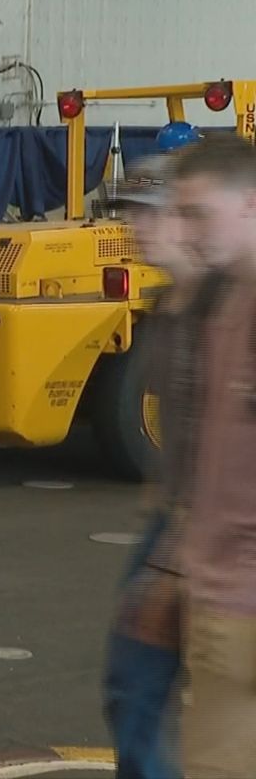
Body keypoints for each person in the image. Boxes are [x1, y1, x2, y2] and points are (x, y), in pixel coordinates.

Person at [100, 154, 203, 779]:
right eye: (130, 213)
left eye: (149, 213)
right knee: (132, 687)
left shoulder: (224, 315)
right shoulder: (169, 310)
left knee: (139, 689)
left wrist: (171, 560)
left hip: (207, 534)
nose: (134, 226)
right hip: (176, 524)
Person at [168, 135, 256, 778]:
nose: (186, 233)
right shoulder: (226, 305)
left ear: (250, 203)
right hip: (219, 600)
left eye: (198, 214)